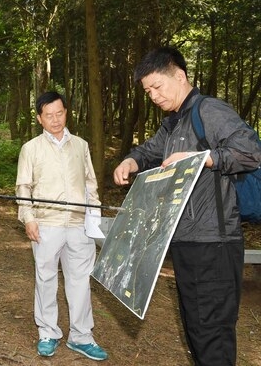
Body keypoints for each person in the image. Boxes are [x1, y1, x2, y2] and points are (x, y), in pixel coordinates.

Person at [113, 46, 261, 366]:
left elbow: (250, 151)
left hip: (215, 244)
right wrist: (131, 161)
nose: (152, 95)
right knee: (195, 327)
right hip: (184, 241)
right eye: (147, 90)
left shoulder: (208, 111)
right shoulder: (173, 124)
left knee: (213, 332)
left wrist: (204, 158)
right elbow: (151, 150)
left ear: (179, 76)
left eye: (157, 87)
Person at [15, 91, 108, 361]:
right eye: (49, 115)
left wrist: (94, 214)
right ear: (39, 119)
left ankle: (81, 336)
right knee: (45, 278)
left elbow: (90, 183)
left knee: (80, 281)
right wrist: (28, 218)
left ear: (66, 112)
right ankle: (48, 332)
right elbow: (23, 187)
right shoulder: (31, 148)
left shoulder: (80, 145)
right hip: (46, 223)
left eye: (59, 113)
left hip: (79, 224)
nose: (55, 120)